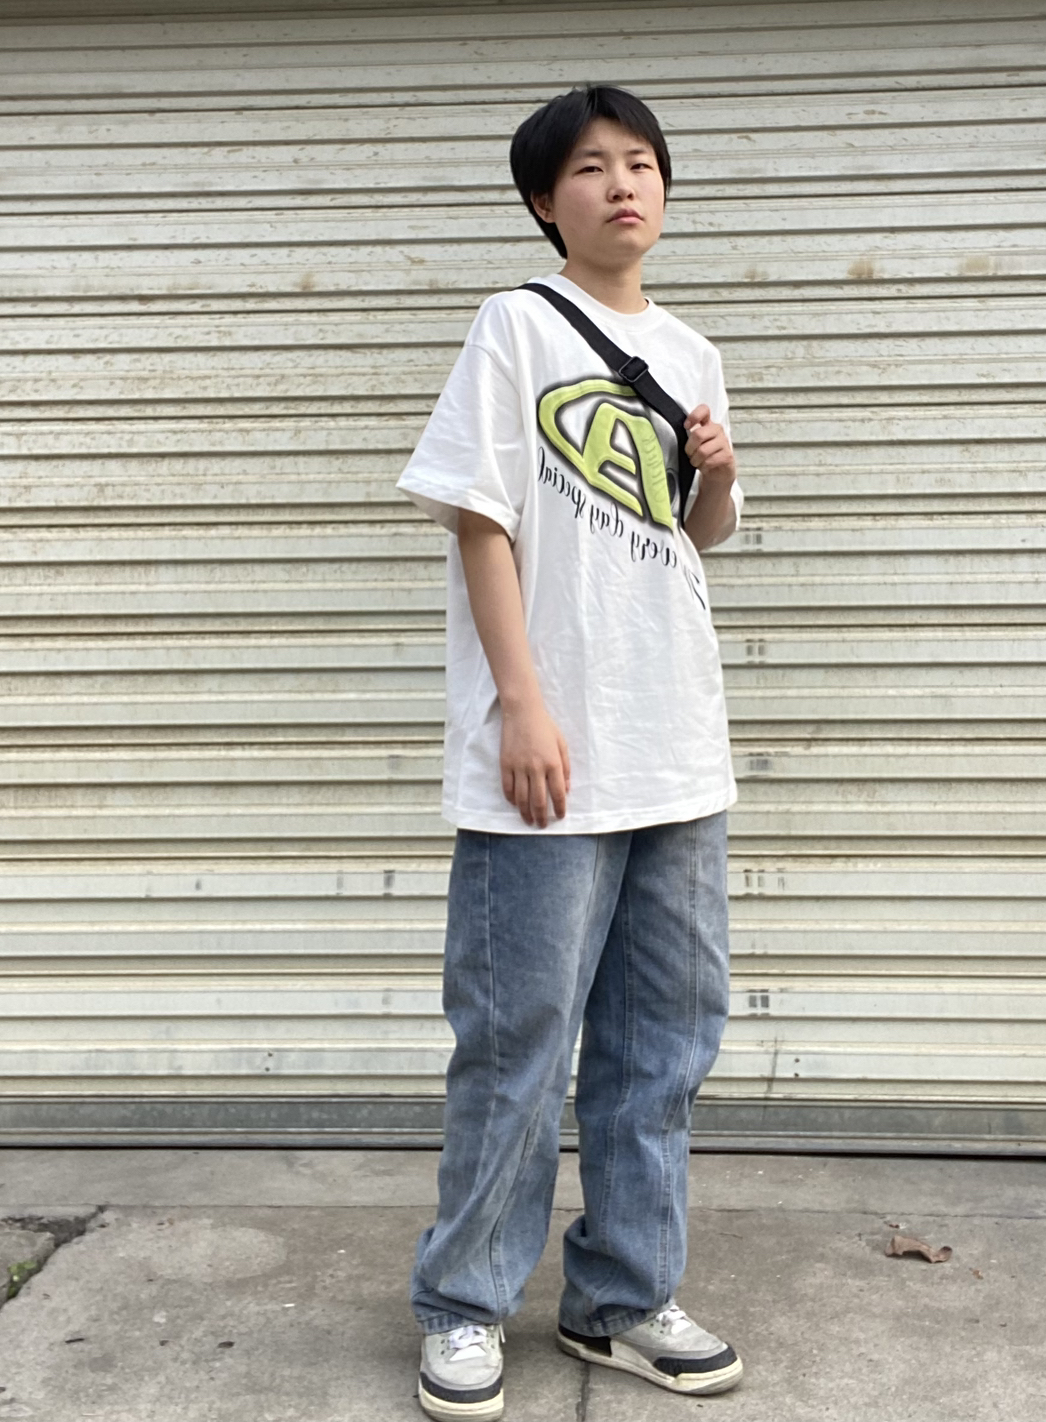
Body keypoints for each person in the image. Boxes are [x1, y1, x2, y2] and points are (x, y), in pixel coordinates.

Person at [397, 85, 744, 1420]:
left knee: (663, 1045)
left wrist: (717, 472)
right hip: (551, 746)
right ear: (547, 201)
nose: (622, 184)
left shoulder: (692, 350)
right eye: (591, 168)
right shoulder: (516, 325)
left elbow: (688, 537)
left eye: (642, 162)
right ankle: (465, 1304)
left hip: (678, 744)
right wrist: (521, 705)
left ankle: (622, 1298)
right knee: (518, 1043)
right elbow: (477, 518)